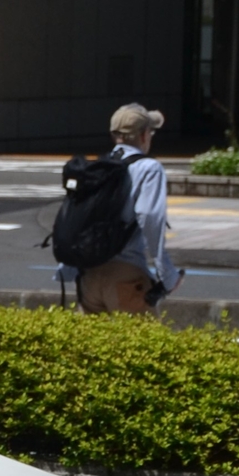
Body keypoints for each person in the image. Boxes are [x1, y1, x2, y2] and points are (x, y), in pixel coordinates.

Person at [67, 102, 180, 316]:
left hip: (88, 276)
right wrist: (167, 275)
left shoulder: (96, 167)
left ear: (114, 136)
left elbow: (75, 218)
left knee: (89, 347)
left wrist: (67, 269)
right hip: (127, 277)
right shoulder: (149, 168)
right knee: (146, 347)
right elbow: (150, 216)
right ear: (145, 135)